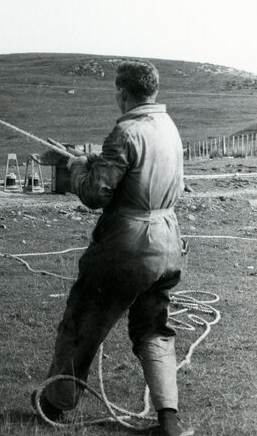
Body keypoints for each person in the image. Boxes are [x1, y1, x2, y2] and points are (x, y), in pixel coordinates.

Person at [33, 60, 193, 436]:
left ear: (121, 93)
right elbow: (138, 173)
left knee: (82, 323)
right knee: (153, 328)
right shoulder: (168, 126)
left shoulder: (126, 131)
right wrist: (88, 159)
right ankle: (169, 421)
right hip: (168, 243)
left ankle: (54, 404)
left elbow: (95, 194)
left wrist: (76, 166)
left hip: (127, 246)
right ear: (152, 90)